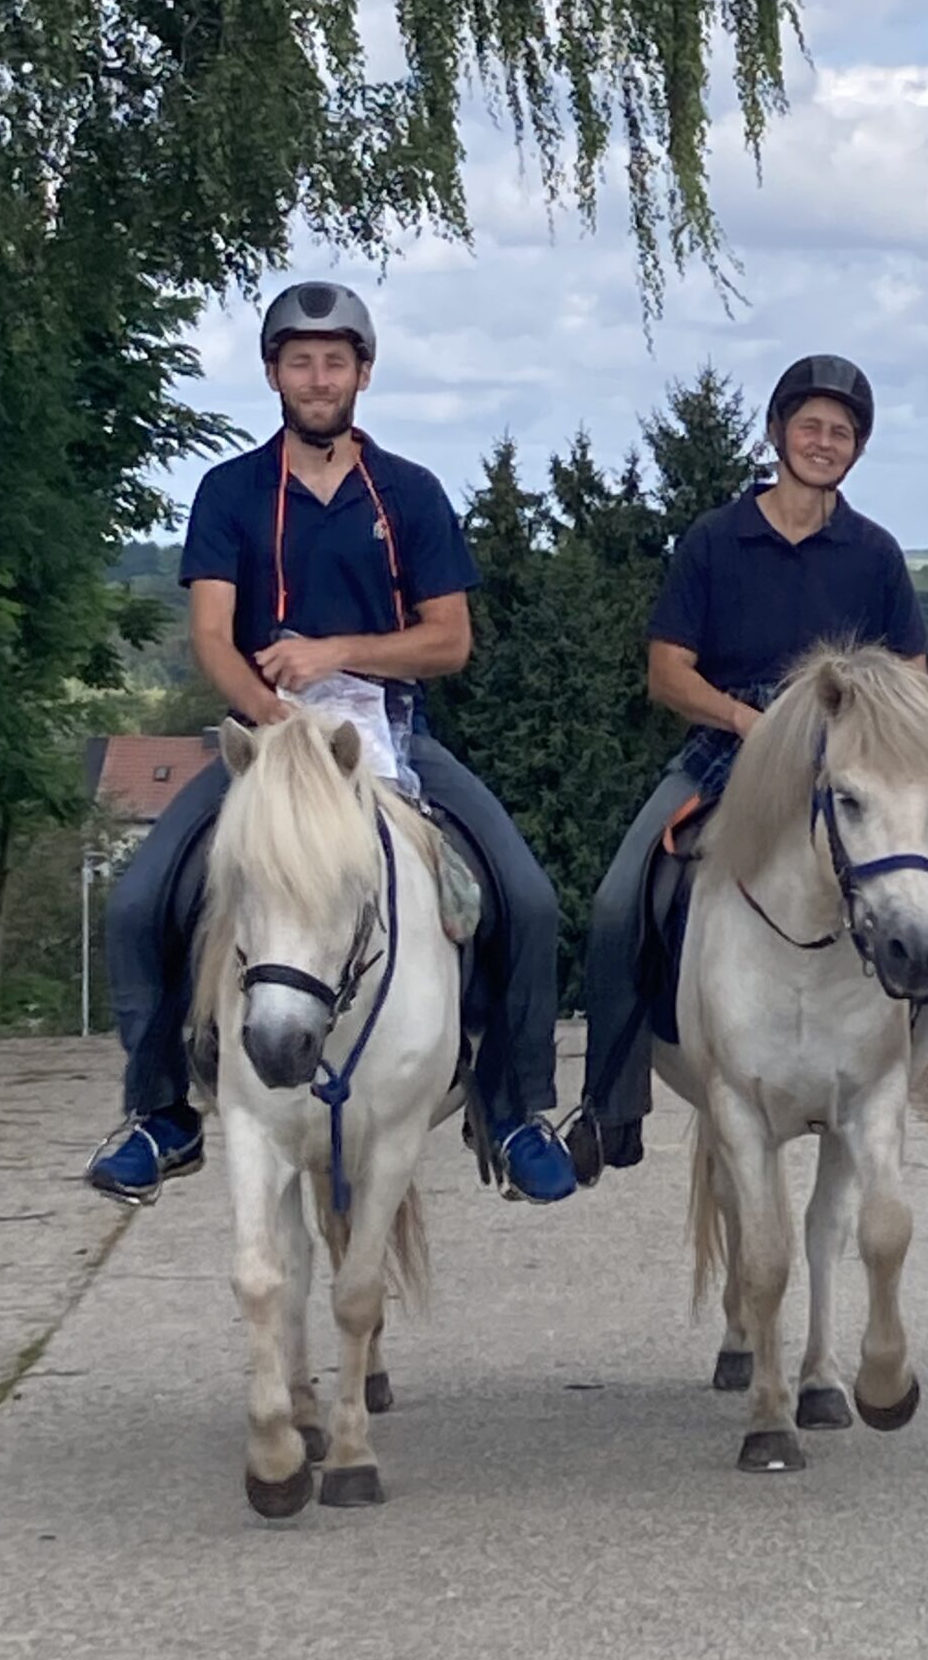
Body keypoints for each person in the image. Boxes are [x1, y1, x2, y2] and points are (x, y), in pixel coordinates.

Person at [86, 281, 578, 1207]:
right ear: (274, 373)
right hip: (265, 741)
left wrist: (340, 652)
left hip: (389, 736)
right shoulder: (231, 491)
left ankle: (513, 1109)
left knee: (529, 897)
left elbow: (450, 640)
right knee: (138, 900)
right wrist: (272, 719)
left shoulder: (410, 494)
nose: (319, 378)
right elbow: (210, 637)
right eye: (301, 361)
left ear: (363, 373)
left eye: (336, 361)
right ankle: (161, 1113)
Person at [569, 354, 928, 1182]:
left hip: (855, 755)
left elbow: (908, 676)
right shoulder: (717, 541)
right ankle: (606, 1107)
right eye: (811, 427)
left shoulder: (873, 553)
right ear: (777, 433)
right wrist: (747, 720)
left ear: (856, 450)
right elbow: (667, 671)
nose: (825, 442)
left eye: (842, 432)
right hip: (733, 748)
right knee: (623, 895)